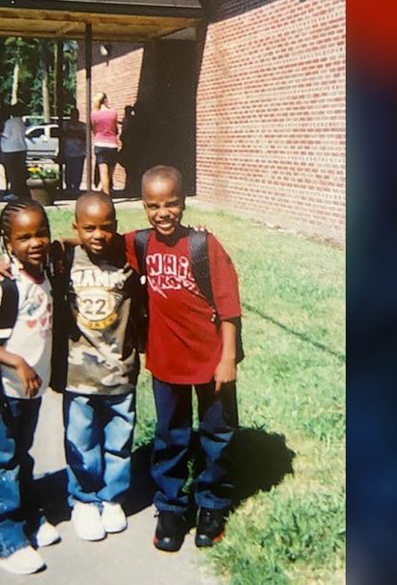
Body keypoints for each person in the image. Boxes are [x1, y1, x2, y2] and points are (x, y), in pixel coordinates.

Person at [124, 166, 242, 553]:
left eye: (171, 204)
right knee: (170, 436)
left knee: (217, 434)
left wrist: (227, 359)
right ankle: (172, 507)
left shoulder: (205, 246)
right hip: (166, 361)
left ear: (183, 202)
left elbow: (229, 309)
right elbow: (95, 240)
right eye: (154, 205)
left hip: (211, 362)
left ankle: (212, 503)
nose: (163, 213)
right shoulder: (140, 244)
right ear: (143, 207)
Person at [0, 199, 60, 575]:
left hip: (31, 389)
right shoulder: (2, 286)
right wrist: (17, 362)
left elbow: (71, 240)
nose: (35, 242)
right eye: (24, 237)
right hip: (3, 390)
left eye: (41, 233)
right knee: (3, 460)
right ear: (7, 241)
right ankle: (3, 539)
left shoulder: (47, 268)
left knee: (22, 454)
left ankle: (26, 516)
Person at [55, 192, 144, 541]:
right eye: (88, 228)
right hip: (78, 375)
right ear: (76, 227)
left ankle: (112, 498)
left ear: (116, 228)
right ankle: (84, 499)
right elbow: (21, 256)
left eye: (106, 227)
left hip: (120, 371)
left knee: (119, 441)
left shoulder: (128, 256)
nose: (97, 235)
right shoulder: (63, 259)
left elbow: (159, 242)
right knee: (82, 441)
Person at [90, 93, 119, 195]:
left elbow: (94, 130)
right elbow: (115, 128)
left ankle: (105, 194)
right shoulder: (113, 113)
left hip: (100, 143)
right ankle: (104, 190)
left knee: (103, 172)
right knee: (111, 171)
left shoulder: (94, 114)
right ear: (106, 100)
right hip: (112, 144)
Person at [0, 103, 30, 200]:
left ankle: (14, 192)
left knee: (11, 172)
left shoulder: (9, 122)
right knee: (19, 172)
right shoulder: (21, 122)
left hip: (10, 149)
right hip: (21, 148)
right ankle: (21, 191)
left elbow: (6, 135)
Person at [60, 108, 87, 193]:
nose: (75, 117)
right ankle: (68, 187)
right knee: (68, 170)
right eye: (73, 114)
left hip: (80, 152)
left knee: (78, 171)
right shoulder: (65, 125)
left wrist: (73, 133)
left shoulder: (83, 125)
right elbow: (63, 135)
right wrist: (75, 133)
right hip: (68, 152)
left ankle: (76, 187)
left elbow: (84, 137)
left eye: (76, 115)